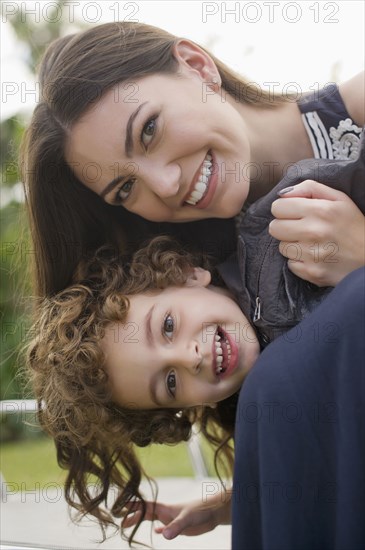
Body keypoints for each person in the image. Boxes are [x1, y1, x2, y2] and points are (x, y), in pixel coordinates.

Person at [21, 21, 365, 300]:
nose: (165, 185)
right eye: (125, 188)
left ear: (198, 68)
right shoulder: (207, 297)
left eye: (148, 130)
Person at [26, 236, 260, 546]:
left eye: (167, 326)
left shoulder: (278, 244)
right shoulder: (257, 417)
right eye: (171, 383)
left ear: (187, 274)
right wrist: (223, 511)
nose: (190, 358)